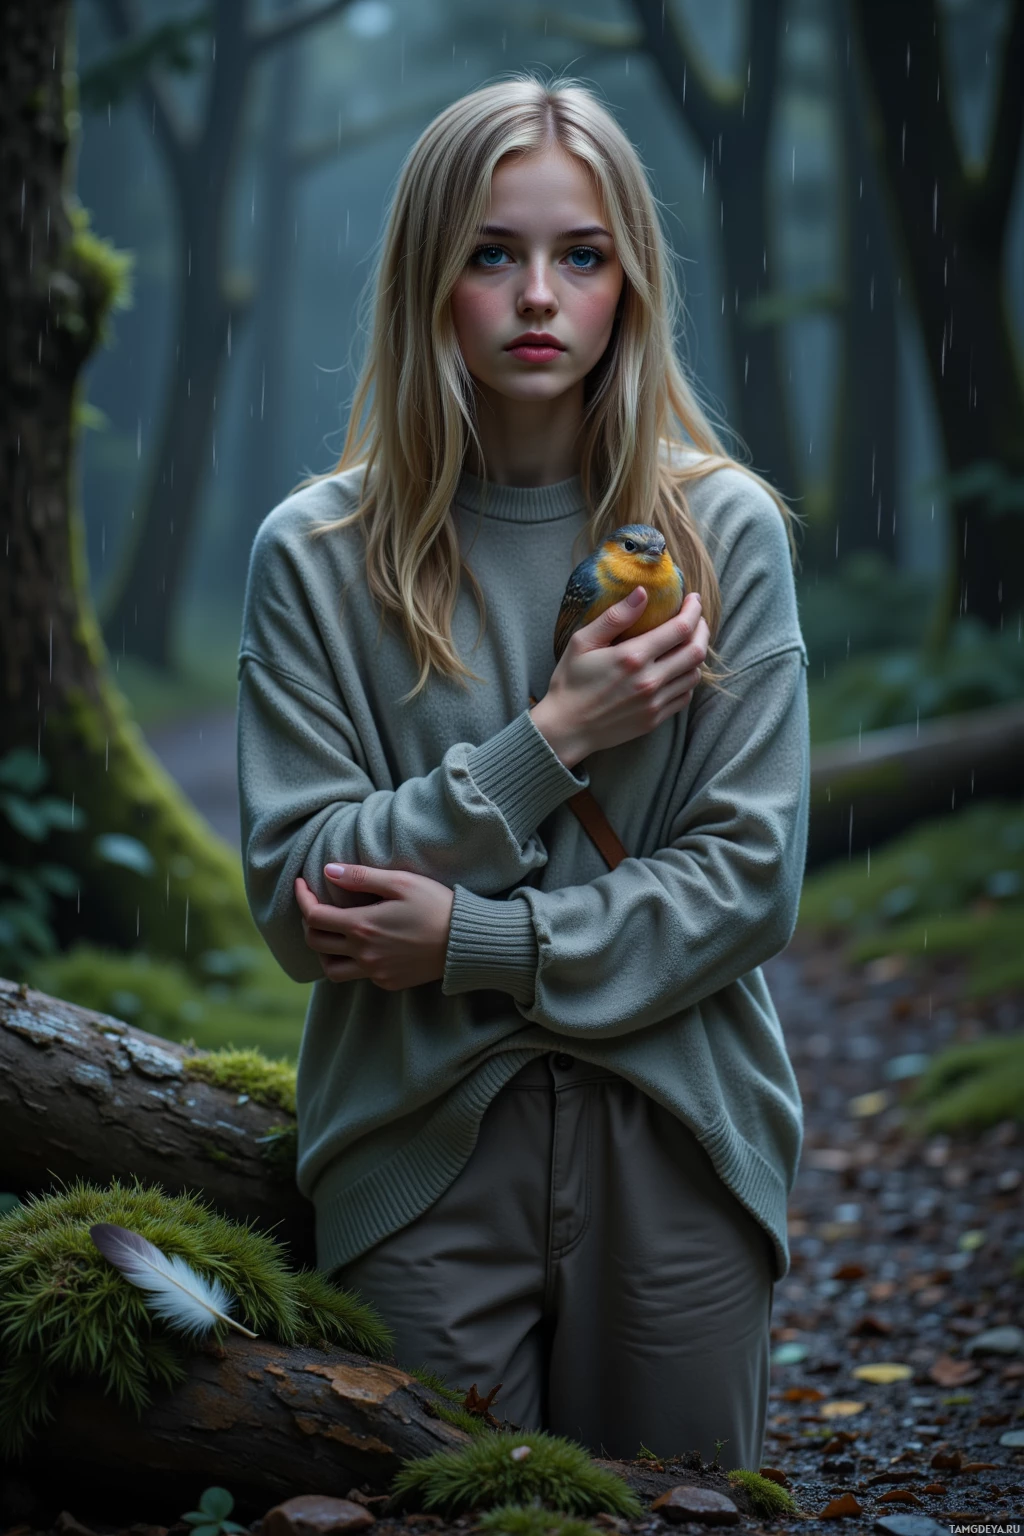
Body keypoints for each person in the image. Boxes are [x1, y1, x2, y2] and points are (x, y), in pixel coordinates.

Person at [237, 73, 809, 1470]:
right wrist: (550, 742)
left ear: (632, 282)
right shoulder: (315, 558)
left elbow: (746, 885)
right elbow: (304, 901)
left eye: (581, 255)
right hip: (415, 1150)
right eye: (494, 252)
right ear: (430, 274)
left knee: (679, 1510)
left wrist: (472, 939)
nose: (538, 294)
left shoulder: (722, 530)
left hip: (680, 1133)